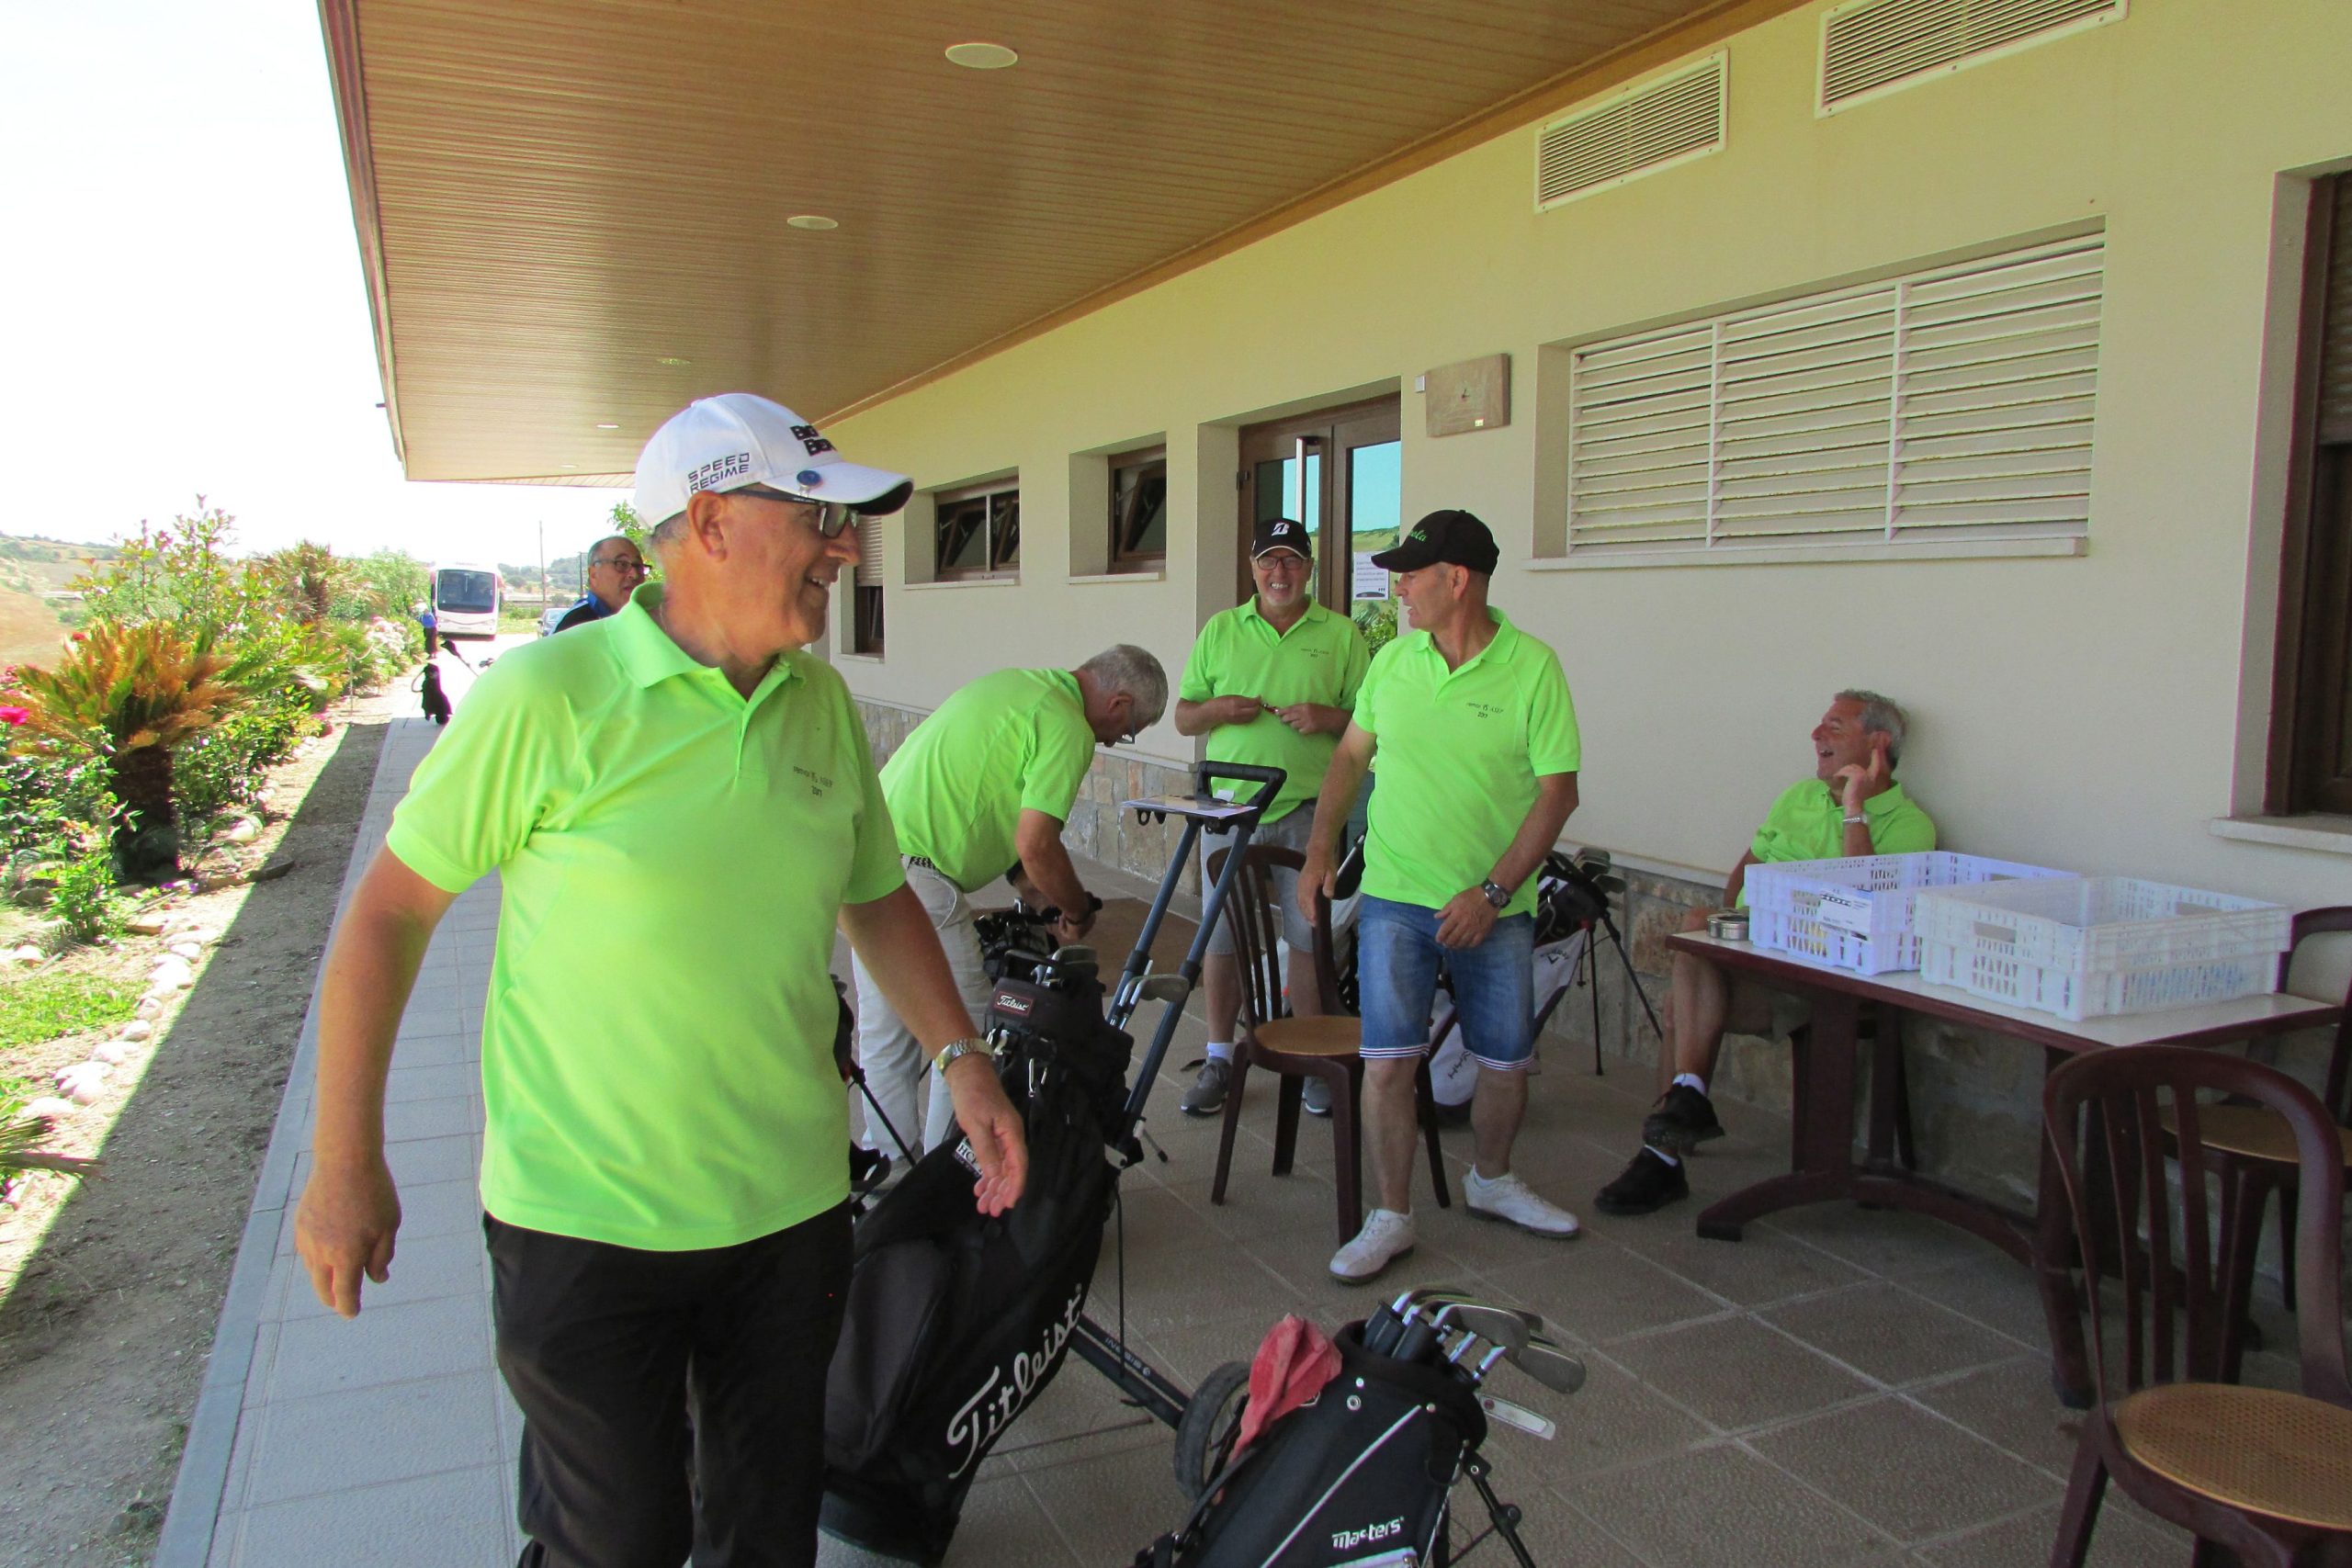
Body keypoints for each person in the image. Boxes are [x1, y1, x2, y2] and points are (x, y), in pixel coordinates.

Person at [292, 391, 1028, 1568]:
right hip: (586, 1223)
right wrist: (343, 1159)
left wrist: (963, 1059)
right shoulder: (546, 697)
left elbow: (877, 895)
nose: (844, 549)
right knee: (618, 1540)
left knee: (766, 1533)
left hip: (789, 1214)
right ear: (710, 522)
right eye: (817, 518)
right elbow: (388, 917)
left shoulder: (821, 705)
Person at [1297, 509, 1585, 1284]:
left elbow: (1557, 795)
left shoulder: (1533, 668)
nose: (1398, 588)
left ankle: (1491, 1179)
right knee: (1388, 1062)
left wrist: (1492, 892)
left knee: (1505, 1061)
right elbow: (1349, 758)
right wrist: (1320, 848)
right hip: (1395, 897)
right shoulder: (1393, 661)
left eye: (1410, 574)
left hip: (1495, 907)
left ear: (1457, 579)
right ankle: (1392, 1215)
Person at [1594, 691, 1934, 1216]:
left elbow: (1868, 903)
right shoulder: (1798, 796)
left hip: (1823, 979)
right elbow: (1747, 868)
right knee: (1696, 933)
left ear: (1878, 743)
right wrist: (1732, 927)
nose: (1816, 735)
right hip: (1759, 957)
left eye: (1835, 726)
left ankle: (1663, 1153)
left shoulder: (1911, 824)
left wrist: (1854, 810)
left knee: (1683, 1001)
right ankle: (1677, 1118)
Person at [854, 645, 1169, 1158]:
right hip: (919, 879)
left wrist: (1037, 895)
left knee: (888, 1036)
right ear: (1120, 703)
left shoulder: (1017, 685)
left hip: (868, 862)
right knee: (970, 1036)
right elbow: (1037, 844)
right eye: (1130, 729)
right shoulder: (1068, 725)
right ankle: (946, 1173)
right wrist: (1077, 911)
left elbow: (994, 809)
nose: (1115, 740)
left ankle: (889, 1173)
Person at [1171, 515, 1368, 1117]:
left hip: (1311, 811)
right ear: (1253, 568)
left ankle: (1311, 1061)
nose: (1279, 572)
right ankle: (1218, 1057)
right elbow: (1183, 716)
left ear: (1309, 568)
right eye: (1268, 561)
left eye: (1291, 560)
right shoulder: (1221, 629)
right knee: (1222, 936)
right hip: (1229, 810)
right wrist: (1218, 709)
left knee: (1308, 938)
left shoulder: (1341, 635)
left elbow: (1373, 722)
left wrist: (1327, 718)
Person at [554, 535, 649, 631]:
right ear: (593, 574)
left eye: (638, 566)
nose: (634, 575)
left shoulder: (647, 620)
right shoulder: (574, 624)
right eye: (622, 564)